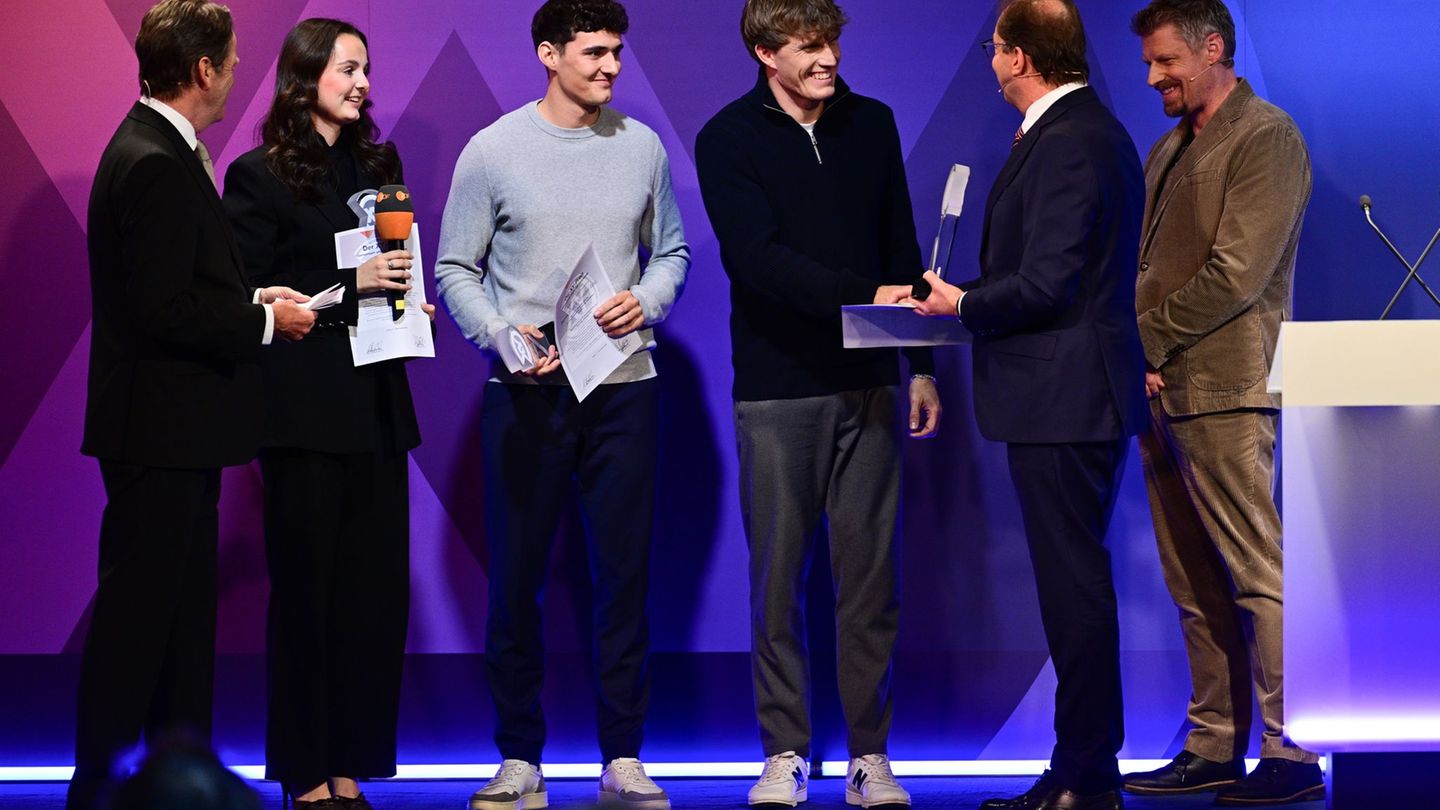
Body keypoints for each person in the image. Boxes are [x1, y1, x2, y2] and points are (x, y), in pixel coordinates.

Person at [434, 1, 689, 808]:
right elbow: (454, 268)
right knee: (515, 583)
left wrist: (647, 299)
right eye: (593, 52)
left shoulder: (642, 147)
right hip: (526, 394)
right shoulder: (493, 150)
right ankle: (519, 757)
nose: (611, 66)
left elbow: (672, 252)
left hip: (624, 389)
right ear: (548, 54)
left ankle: (624, 755)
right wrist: (498, 335)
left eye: (617, 52)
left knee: (625, 580)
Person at [694, 0, 941, 805]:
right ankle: (784, 752)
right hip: (776, 391)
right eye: (809, 45)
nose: (828, 57)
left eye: (832, 41)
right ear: (766, 53)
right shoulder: (728, 137)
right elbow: (756, 261)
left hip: (871, 385)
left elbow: (901, 246)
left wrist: (920, 365)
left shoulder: (872, 123)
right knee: (777, 584)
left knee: (871, 583)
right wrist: (862, 293)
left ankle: (871, 757)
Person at [72, 1, 315, 807]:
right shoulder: (151, 159)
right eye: (233, 59)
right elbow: (163, 310)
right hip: (159, 435)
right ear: (203, 69)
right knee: (137, 631)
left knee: (178, 634)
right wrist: (266, 323)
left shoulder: (162, 149)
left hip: (179, 435)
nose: (240, 71)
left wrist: (252, 297)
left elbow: (182, 284)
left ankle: (178, 789)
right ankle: (99, 792)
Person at [905, 1, 1146, 807]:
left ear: (1018, 58)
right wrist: (957, 297)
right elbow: (1049, 273)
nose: (991, 61)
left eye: (995, 47)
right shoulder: (1079, 131)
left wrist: (962, 305)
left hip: (1065, 397)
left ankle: (1086, 775)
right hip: (1067, 394)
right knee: (1073, 584)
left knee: (1074, 588)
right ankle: (1085, 769)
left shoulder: (1071, 139)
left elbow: (1047, 285)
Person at [223, 18, 431, 808]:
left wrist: (410, 305)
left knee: (372, 601)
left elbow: (394, 269)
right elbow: (250, 295)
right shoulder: (258, 176)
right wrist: (351, 289)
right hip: (304, 414)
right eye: (347, 68)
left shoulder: (378, 166)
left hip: (378, 407)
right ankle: (305, 772)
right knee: (308, 598)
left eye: (366, 69)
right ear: (305, 76)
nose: (362, 83)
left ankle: (350, 765)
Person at [1121, 1, 1320, 805]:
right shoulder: (1169, 146)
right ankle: (1213, 741)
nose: (1152, 76)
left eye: (1165, 60)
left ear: (1213, 48)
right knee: (1193, 581)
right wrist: (1144, 354)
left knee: (1255, 574)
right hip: (1162, 392)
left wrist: (1142, 340)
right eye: (1148, 62)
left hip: (1227, 390)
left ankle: (1291, 750)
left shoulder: (1266, 136)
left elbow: (1239, 274)